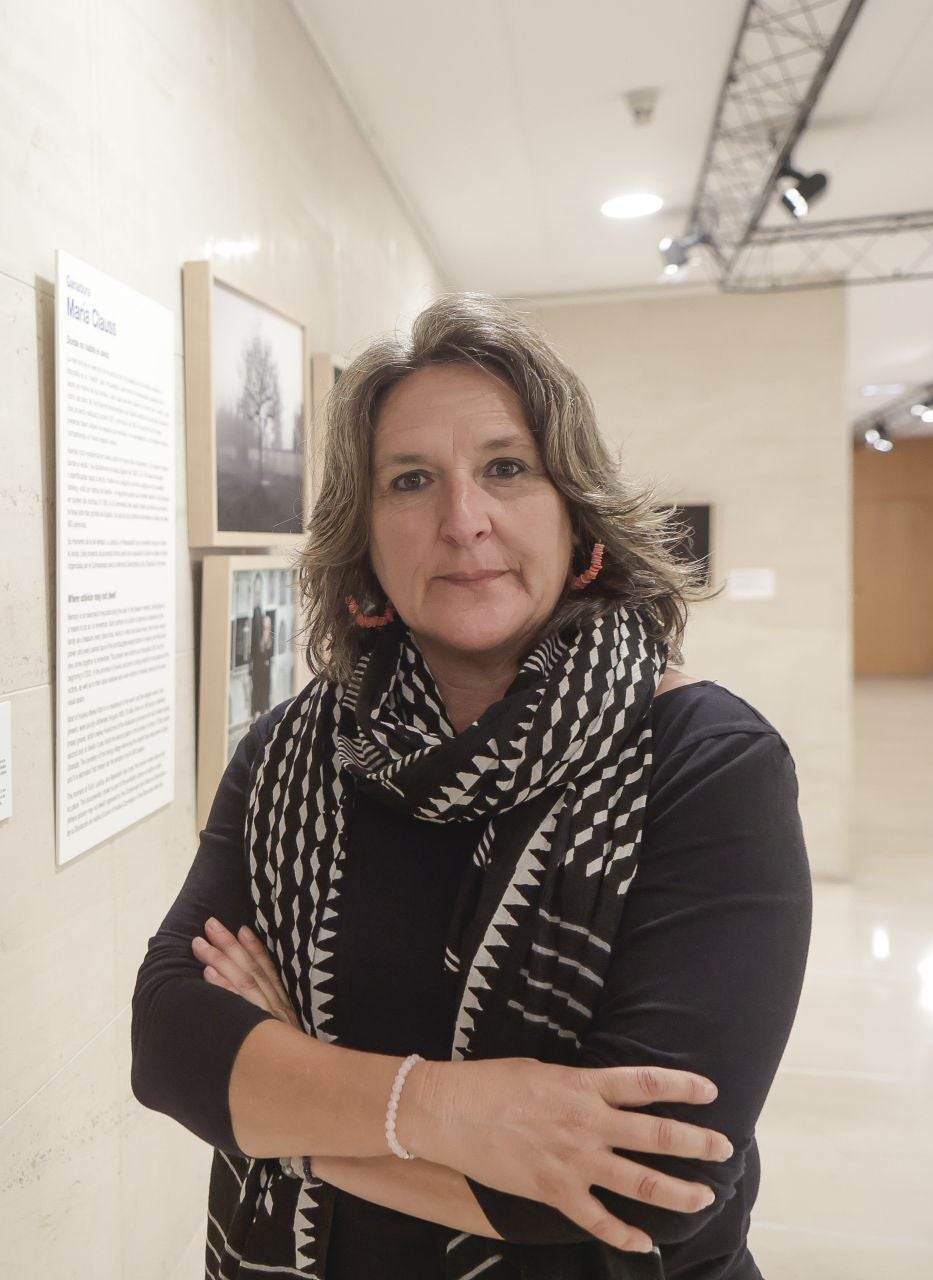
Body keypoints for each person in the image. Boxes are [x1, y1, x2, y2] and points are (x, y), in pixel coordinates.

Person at [131, 295, 812, 1279]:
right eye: (411, 480)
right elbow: (172, 1044)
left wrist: (290, 1105)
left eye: (506, 468)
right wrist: (454, 1111)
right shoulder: (293, 753)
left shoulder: (710, 763)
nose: (463, 519)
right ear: (364, 543)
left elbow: (635, 1184)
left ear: (577, 515)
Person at [247, 576, 274, 718]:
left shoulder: (260, 612)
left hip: (263, 665)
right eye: (256, 591)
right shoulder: (254, 614)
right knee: (257, 690)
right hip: (257, 664)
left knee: (264, 689)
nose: (258, 595)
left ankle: (262, 711)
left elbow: (265, 645)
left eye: (259, 591)